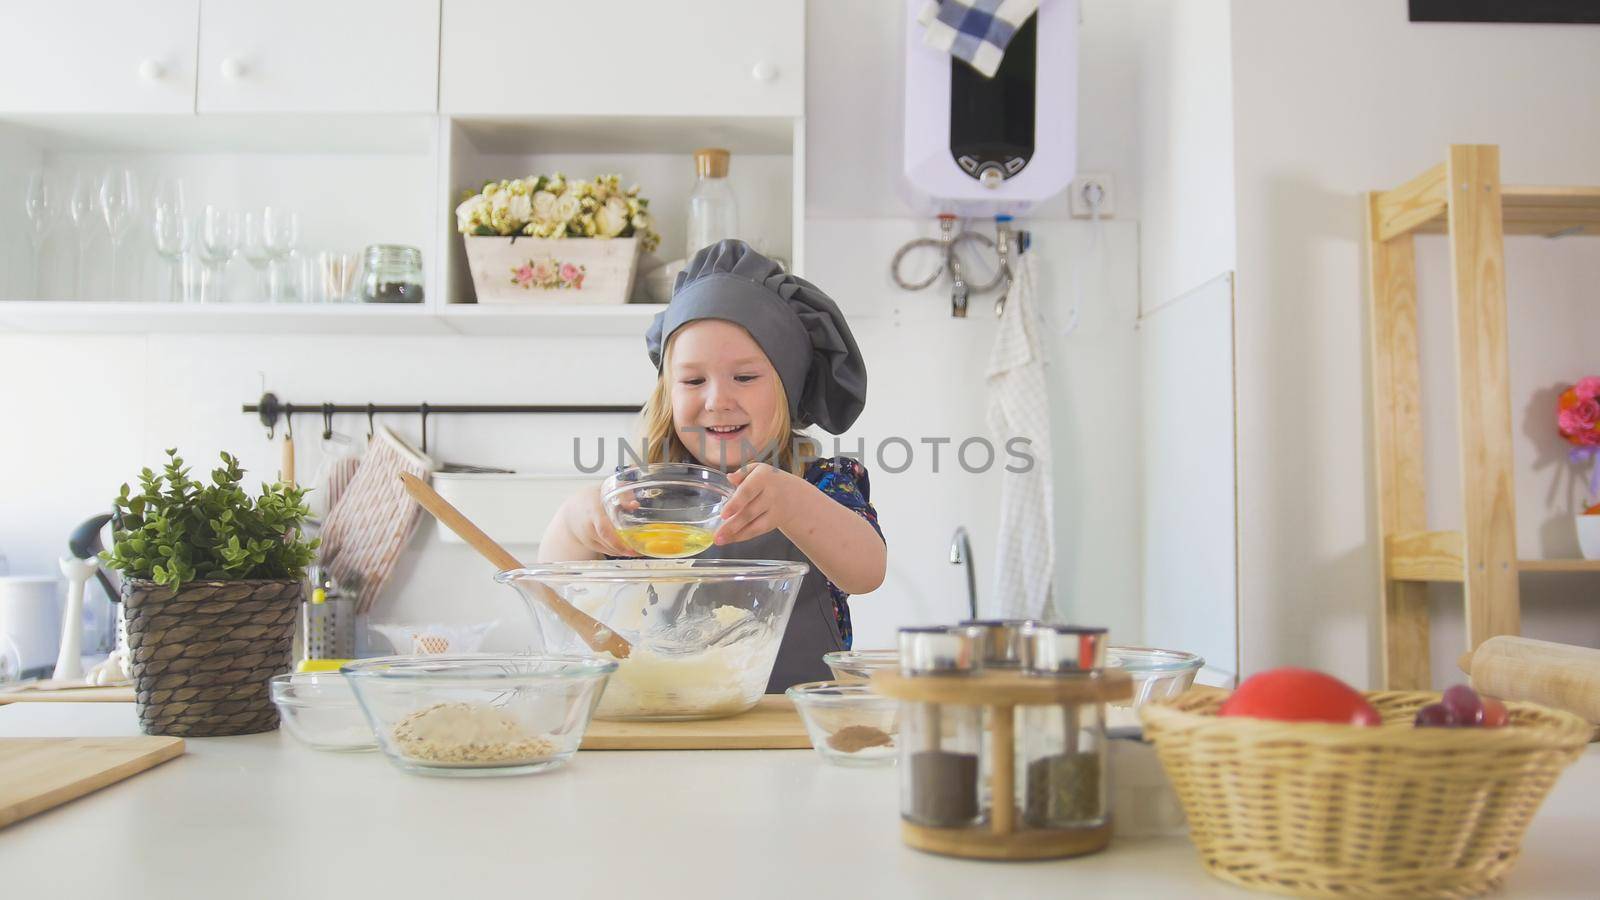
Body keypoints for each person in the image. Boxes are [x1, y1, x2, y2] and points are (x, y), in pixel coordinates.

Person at [540, 239, 886, 688]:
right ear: (667, 391)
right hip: (668, 721)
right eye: (693, 379)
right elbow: (554, 598)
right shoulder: (641, 497)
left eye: (744, 377)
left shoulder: (821, 484)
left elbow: (866, 572)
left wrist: (794, 503)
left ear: (788, 387)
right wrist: (573, 524)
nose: (718, 400)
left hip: (789, 724)